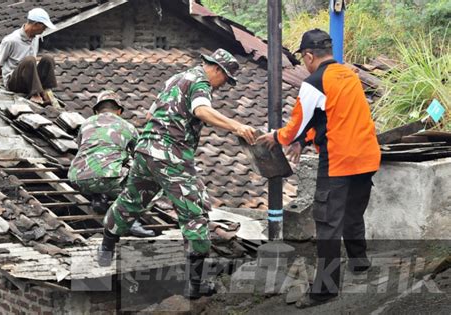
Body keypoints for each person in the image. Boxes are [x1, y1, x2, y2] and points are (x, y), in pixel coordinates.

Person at [97, 49, 257, 299]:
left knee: (132, 200)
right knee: (194, 211)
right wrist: (237, 127)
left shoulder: (175, 79)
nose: (223, 85)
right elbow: (202, 110)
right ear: (217, 69)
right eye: (225, 79)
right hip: (171, 156)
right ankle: (196, 284)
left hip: (146, 150)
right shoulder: (201, 82)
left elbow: (150, 115)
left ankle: (106, 249)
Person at [258, 29, 381, 308]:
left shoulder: (314, 81)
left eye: (304, 59)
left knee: (327, 223)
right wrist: (305, 140)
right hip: (367, 156)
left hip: (339, 159)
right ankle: (359, 260)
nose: (304, 64)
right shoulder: (348, 74)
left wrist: (279, 137)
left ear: (309, 56)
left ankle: (325, 289)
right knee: (352, 211)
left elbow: (298, 122)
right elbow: (331, 116)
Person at [68, 90, 154, 237]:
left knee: (101, 163)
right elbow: (140, 156)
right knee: (144, 179)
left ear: (96, 111)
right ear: (119, 111)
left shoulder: (85, 124)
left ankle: (99, 198)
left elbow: (81, 148)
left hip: (77, 179)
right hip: (108, 180)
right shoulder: (128, 127)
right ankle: (130, 221)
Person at [0, 8, 57, 106]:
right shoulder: (10, 40)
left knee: (48, 58)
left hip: (30, 79)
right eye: (43, 26)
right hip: (13, 82)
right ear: (36, 24)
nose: (44, 29)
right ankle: (35, 94)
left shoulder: (36, 38)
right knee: (30, 60)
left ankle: (46, 90)